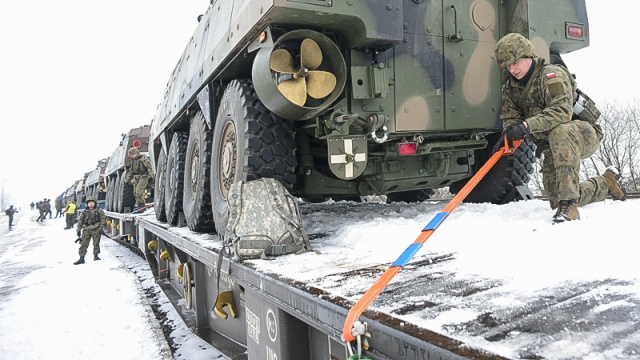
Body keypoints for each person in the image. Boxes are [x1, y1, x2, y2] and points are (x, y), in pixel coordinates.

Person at [494, 33, 626, 224]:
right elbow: (511, 119)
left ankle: (570, 207)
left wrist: (526, 126)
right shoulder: (510, 88)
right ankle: (607, 183)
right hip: (552, 145)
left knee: (561, 131)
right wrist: (508, 136)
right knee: (558, 198)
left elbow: (561, 112)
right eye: (507, 65)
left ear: (528, 55)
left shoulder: (551, 75)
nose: (512, 69)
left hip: (582, 134)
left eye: (515, 62)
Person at [73, 196, 106, 265]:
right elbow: (80, 221)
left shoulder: (99, 211)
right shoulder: (84, 212)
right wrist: (78, 230)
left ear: (95, 203)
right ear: (87, 204)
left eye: (92, 203)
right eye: (89, 203)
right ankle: (81, 258)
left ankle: (96, 256)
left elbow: (103, 219)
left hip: (96, 229)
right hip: (86, 229)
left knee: (96, 243)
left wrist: (100, 228)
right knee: (83, 244)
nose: (90, 204)